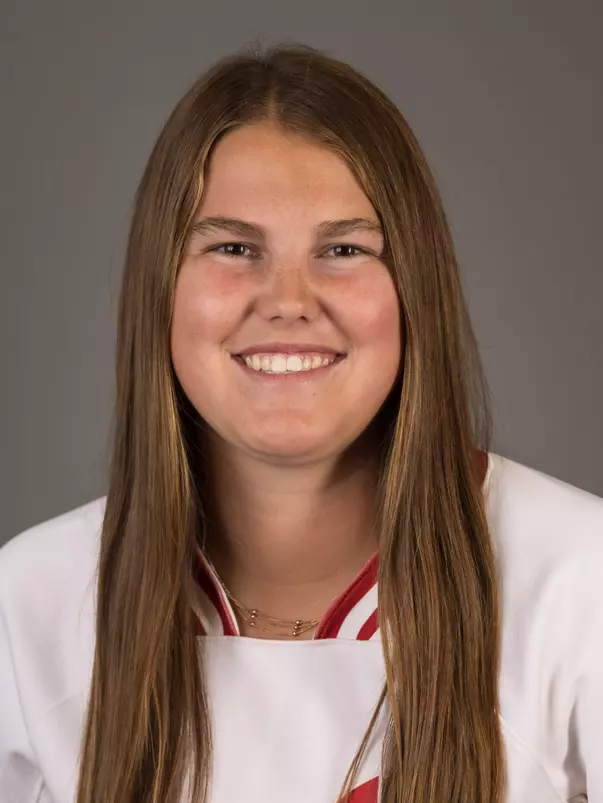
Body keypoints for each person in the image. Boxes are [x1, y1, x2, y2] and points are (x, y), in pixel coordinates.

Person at [1, 42, 602, 803]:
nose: (288, 300)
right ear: (161, 288)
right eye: (234, 247)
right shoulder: (30, 604)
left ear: (414, 288)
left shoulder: (580, 582)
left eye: (343, 249)